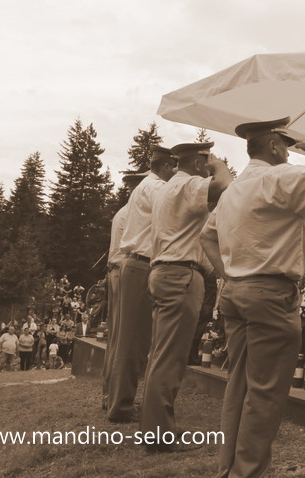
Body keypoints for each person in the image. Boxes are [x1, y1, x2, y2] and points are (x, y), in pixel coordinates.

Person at [202, 117, 305, 477]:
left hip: (235, 292)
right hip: (270, 294)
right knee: (264, 394)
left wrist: (228, 274)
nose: (291, 152)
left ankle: (228, 468)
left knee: (239, 387)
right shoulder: (275, 178)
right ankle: (247, 473)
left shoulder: (234, 189)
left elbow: (207, 236)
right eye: (288, 145)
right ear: (276, 146)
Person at [139, 141, 232, 452]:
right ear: (197, 164)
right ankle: (159, 436)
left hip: (165, 273)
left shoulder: (168, 188)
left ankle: (154, 430)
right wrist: (217, 164)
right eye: (204, 163)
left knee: (160, 356)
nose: (207, 168)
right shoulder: (189, 184)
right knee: (169, 359)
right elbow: (223, 185)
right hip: (179, 276)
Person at [108, 145, 176, 423]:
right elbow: (176, 210)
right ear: (166, 167)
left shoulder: (146, 187)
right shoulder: (156, 188)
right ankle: (121, 407)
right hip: (141, 265)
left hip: (136, 265)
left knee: (130, 341)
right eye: (175, 168)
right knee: (132, 343)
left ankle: (120, 402)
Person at [102, 170, 147, 409]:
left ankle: (109, 395)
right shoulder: (132, 212)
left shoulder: (124, 212)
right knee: (126, 339)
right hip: (123, 271)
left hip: (116, 272)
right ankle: (118, 399)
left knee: (117, 338)